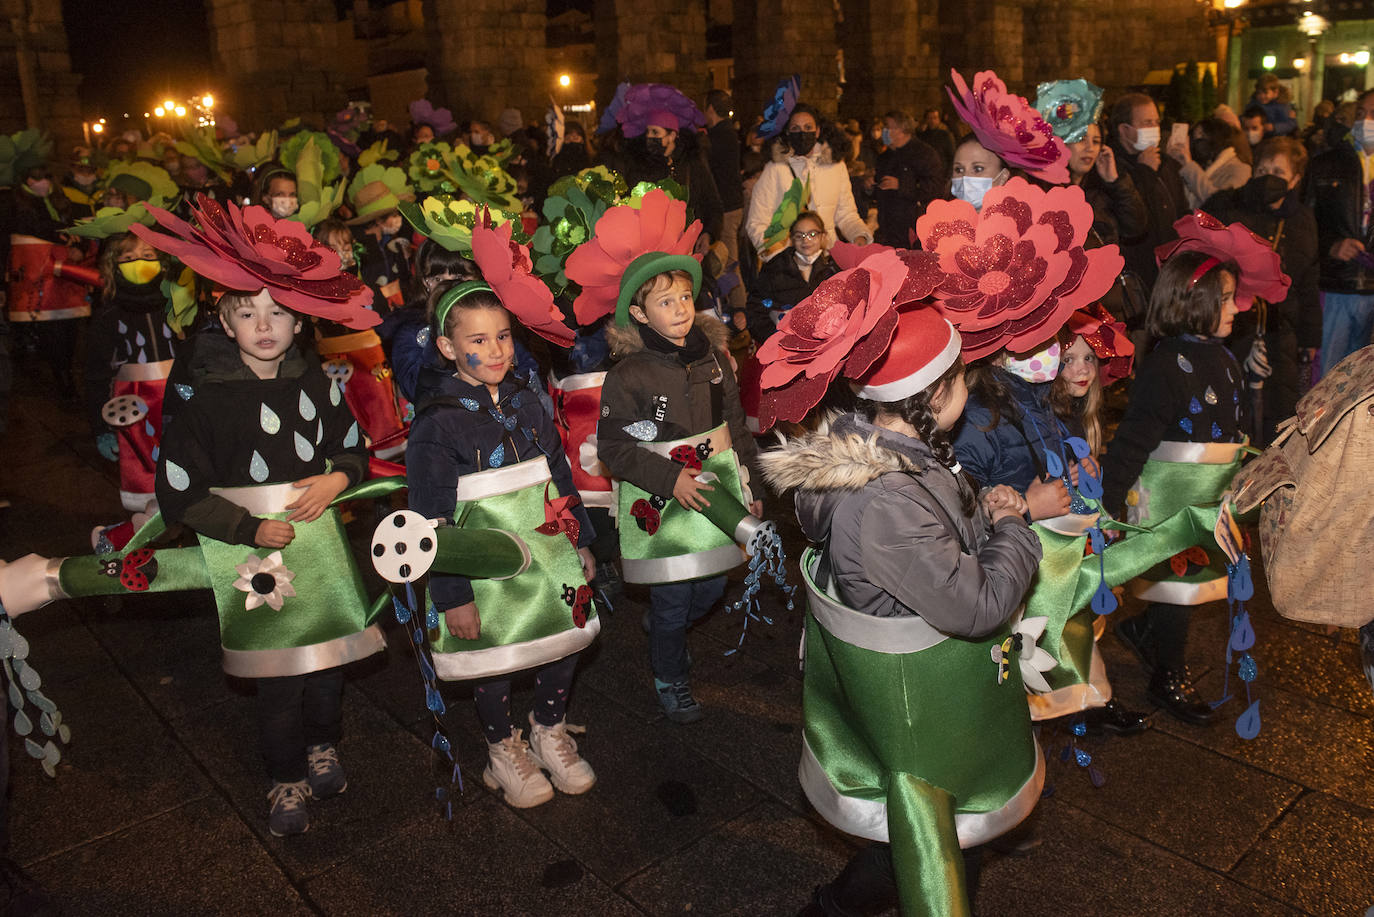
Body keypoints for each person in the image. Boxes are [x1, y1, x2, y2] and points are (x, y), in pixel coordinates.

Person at [759, 296, 1042, 916]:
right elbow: (981, 604)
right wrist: (1016, 528)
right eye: (964, 375)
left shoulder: (901, 457)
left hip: (924, 679)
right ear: (935, 395)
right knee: (938, 840)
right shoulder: (886, 501)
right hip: (922, 698)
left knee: (940, 835)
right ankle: (835, 907)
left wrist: (991, 524)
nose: (970, 385)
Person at [138, 197, 385, 837]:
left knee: (327, 661)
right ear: (225, 320)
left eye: (278, 313)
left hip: (318, 543)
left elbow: (355, 448)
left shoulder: (316, 384)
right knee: (278, 676)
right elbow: (179, 490)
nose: (266, 326)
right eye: (248, 314)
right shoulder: (204, 399)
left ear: (300, 323)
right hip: (252, 556)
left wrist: (335, 478)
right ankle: (285, 776)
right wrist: (247, 529)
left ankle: (323, 744)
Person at [406, 280, 598, 810]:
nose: (495, 351)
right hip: (482, 568)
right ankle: (501, 747)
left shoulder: (527, 402)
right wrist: (453, 595)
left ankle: (548, 728)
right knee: (494, 660)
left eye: (504, 337)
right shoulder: (437, 424)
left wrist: (580, 538)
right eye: (479, 340)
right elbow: (431, 520)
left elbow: (557, 474)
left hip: (548, 550)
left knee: (565, 639)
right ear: (447, 348)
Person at [571, 192, 761, 723]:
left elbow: (736, 430)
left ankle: (665, 625)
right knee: (676, 599)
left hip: (716, 485)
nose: (680, 309)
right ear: (639, 313)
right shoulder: (629, 375)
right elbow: (613, 447)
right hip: (661, 494)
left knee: (710, 587)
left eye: (685, 297)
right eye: (665, 301)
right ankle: (670, 676)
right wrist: (667, 476)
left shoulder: (715, 357)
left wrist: (753, 491)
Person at [1101, 251, 1251, 725]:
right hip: (1168, 504)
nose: (1236, 309)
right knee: (1178, 587)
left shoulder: (1225, 358)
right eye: (1225, 299)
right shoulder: (1166, 366)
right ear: (1195, 303)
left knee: (1187, 585)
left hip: (1206, 501)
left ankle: (1146, 630)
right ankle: (1168, 673)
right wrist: (1108, 505)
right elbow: (1132, 440)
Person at [1201, 136, 1320, 441]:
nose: (1269, 178)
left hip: (1282, 331)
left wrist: (1310, 337)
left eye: (1278, 173)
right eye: (1263, 169)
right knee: (1230, 403)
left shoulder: (1302, 219)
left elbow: (1308, 281)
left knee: (1277, 413)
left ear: (1294, 180)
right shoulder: (1228, 206)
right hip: (1235, 326)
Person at [83, 231, 180, 514]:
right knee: (145, 469)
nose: (139, 263)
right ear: (114, 266)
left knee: (189, 465)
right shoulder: (108, 316)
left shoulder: (178, 306)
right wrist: (101, 428)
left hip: (179, 396)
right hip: (135, 405)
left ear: (162, 263)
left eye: (148, 256)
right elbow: (96, 375)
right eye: (129, 258)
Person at [745, 104, 872, 260]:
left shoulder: (836, 167)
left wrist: (860, 236)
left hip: (827, 259)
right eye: (796, 128)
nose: (802, 133)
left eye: (808, 127)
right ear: (787, 132)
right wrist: (777, 255)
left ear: (817, 131)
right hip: (791, 263)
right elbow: (757, 222)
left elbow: (846, 214)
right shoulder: (775, 169)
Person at [1308, 88, 1374, 377]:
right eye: (1361, 113)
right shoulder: (1327, 163)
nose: (1366, 121)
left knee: (1360, 387)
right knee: (1326, 379)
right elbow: (1304, 224)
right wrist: (1330, 246)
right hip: (1337, 284)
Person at [1108, 93, 1189, 303]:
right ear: (1124, 130)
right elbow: (1131, 215)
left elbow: (1180, 213)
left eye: (1156, 122)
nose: (1153, 128)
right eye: (1146, 123)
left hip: (1170, 277)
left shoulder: (1166, 164)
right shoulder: (1113, 170)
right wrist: (1145, 172)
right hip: (1139, 280)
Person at [738, 211, 838, 346]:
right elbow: (756, 308)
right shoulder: (774, 268)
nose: (805, 240)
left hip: (823, 345)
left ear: (823, 236)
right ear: (791, 239)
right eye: (799, 236)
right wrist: (775, 340)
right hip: (782, 346)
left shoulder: (831, 269)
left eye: (812, 234)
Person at [868, 110, 944, 246]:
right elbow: (880, 188)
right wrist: (869, 186)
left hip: (913, 229)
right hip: (887, 229)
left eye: (887, 127)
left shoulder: (924, 154)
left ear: (901, 129)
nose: (884, 131)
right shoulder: (884, 157)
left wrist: (901, 185)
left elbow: (936, 187)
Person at [704, 90, 746, 311]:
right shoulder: (727, 133)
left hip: (727, 207)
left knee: (730, 260)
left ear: (711, 109)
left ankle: (740, 309)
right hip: (731, 204)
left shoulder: (720, 136)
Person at [1169, 117, 1252, 210]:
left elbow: (1220, 202)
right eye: (1195, 137)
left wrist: (1189, 166)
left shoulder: (1240, 169)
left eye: (1203, 135)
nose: (1198, 140)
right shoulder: (1201, 164)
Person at [917, 106, 956, 170]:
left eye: (935, 118)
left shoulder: (945, 135)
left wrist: (947, 177)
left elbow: (952, 157)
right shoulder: (922, 135)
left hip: (941, 172)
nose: (932, 121)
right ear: (926, 120)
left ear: (939, 119)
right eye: (929, 118)